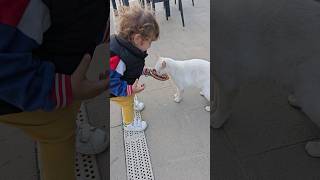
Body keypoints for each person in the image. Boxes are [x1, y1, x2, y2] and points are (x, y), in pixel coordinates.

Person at [0, 1, 108, 180]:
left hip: (52, 64)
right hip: (20, 89)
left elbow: (80, 14)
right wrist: (63, 89)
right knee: (57, 136)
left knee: (70, 104)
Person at [110, 6, 161, 131]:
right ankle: (129, 124)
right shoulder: (119, 58)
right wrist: (129, 89)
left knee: (130, 95)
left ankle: (131, 97)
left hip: (124, 83)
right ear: (138, 39)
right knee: (127, 103)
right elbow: (110, 82)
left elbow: (130, 68)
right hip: (115, 91)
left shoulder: (129, 49)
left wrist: (146, 71)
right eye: (150, 41)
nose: (150, 45)